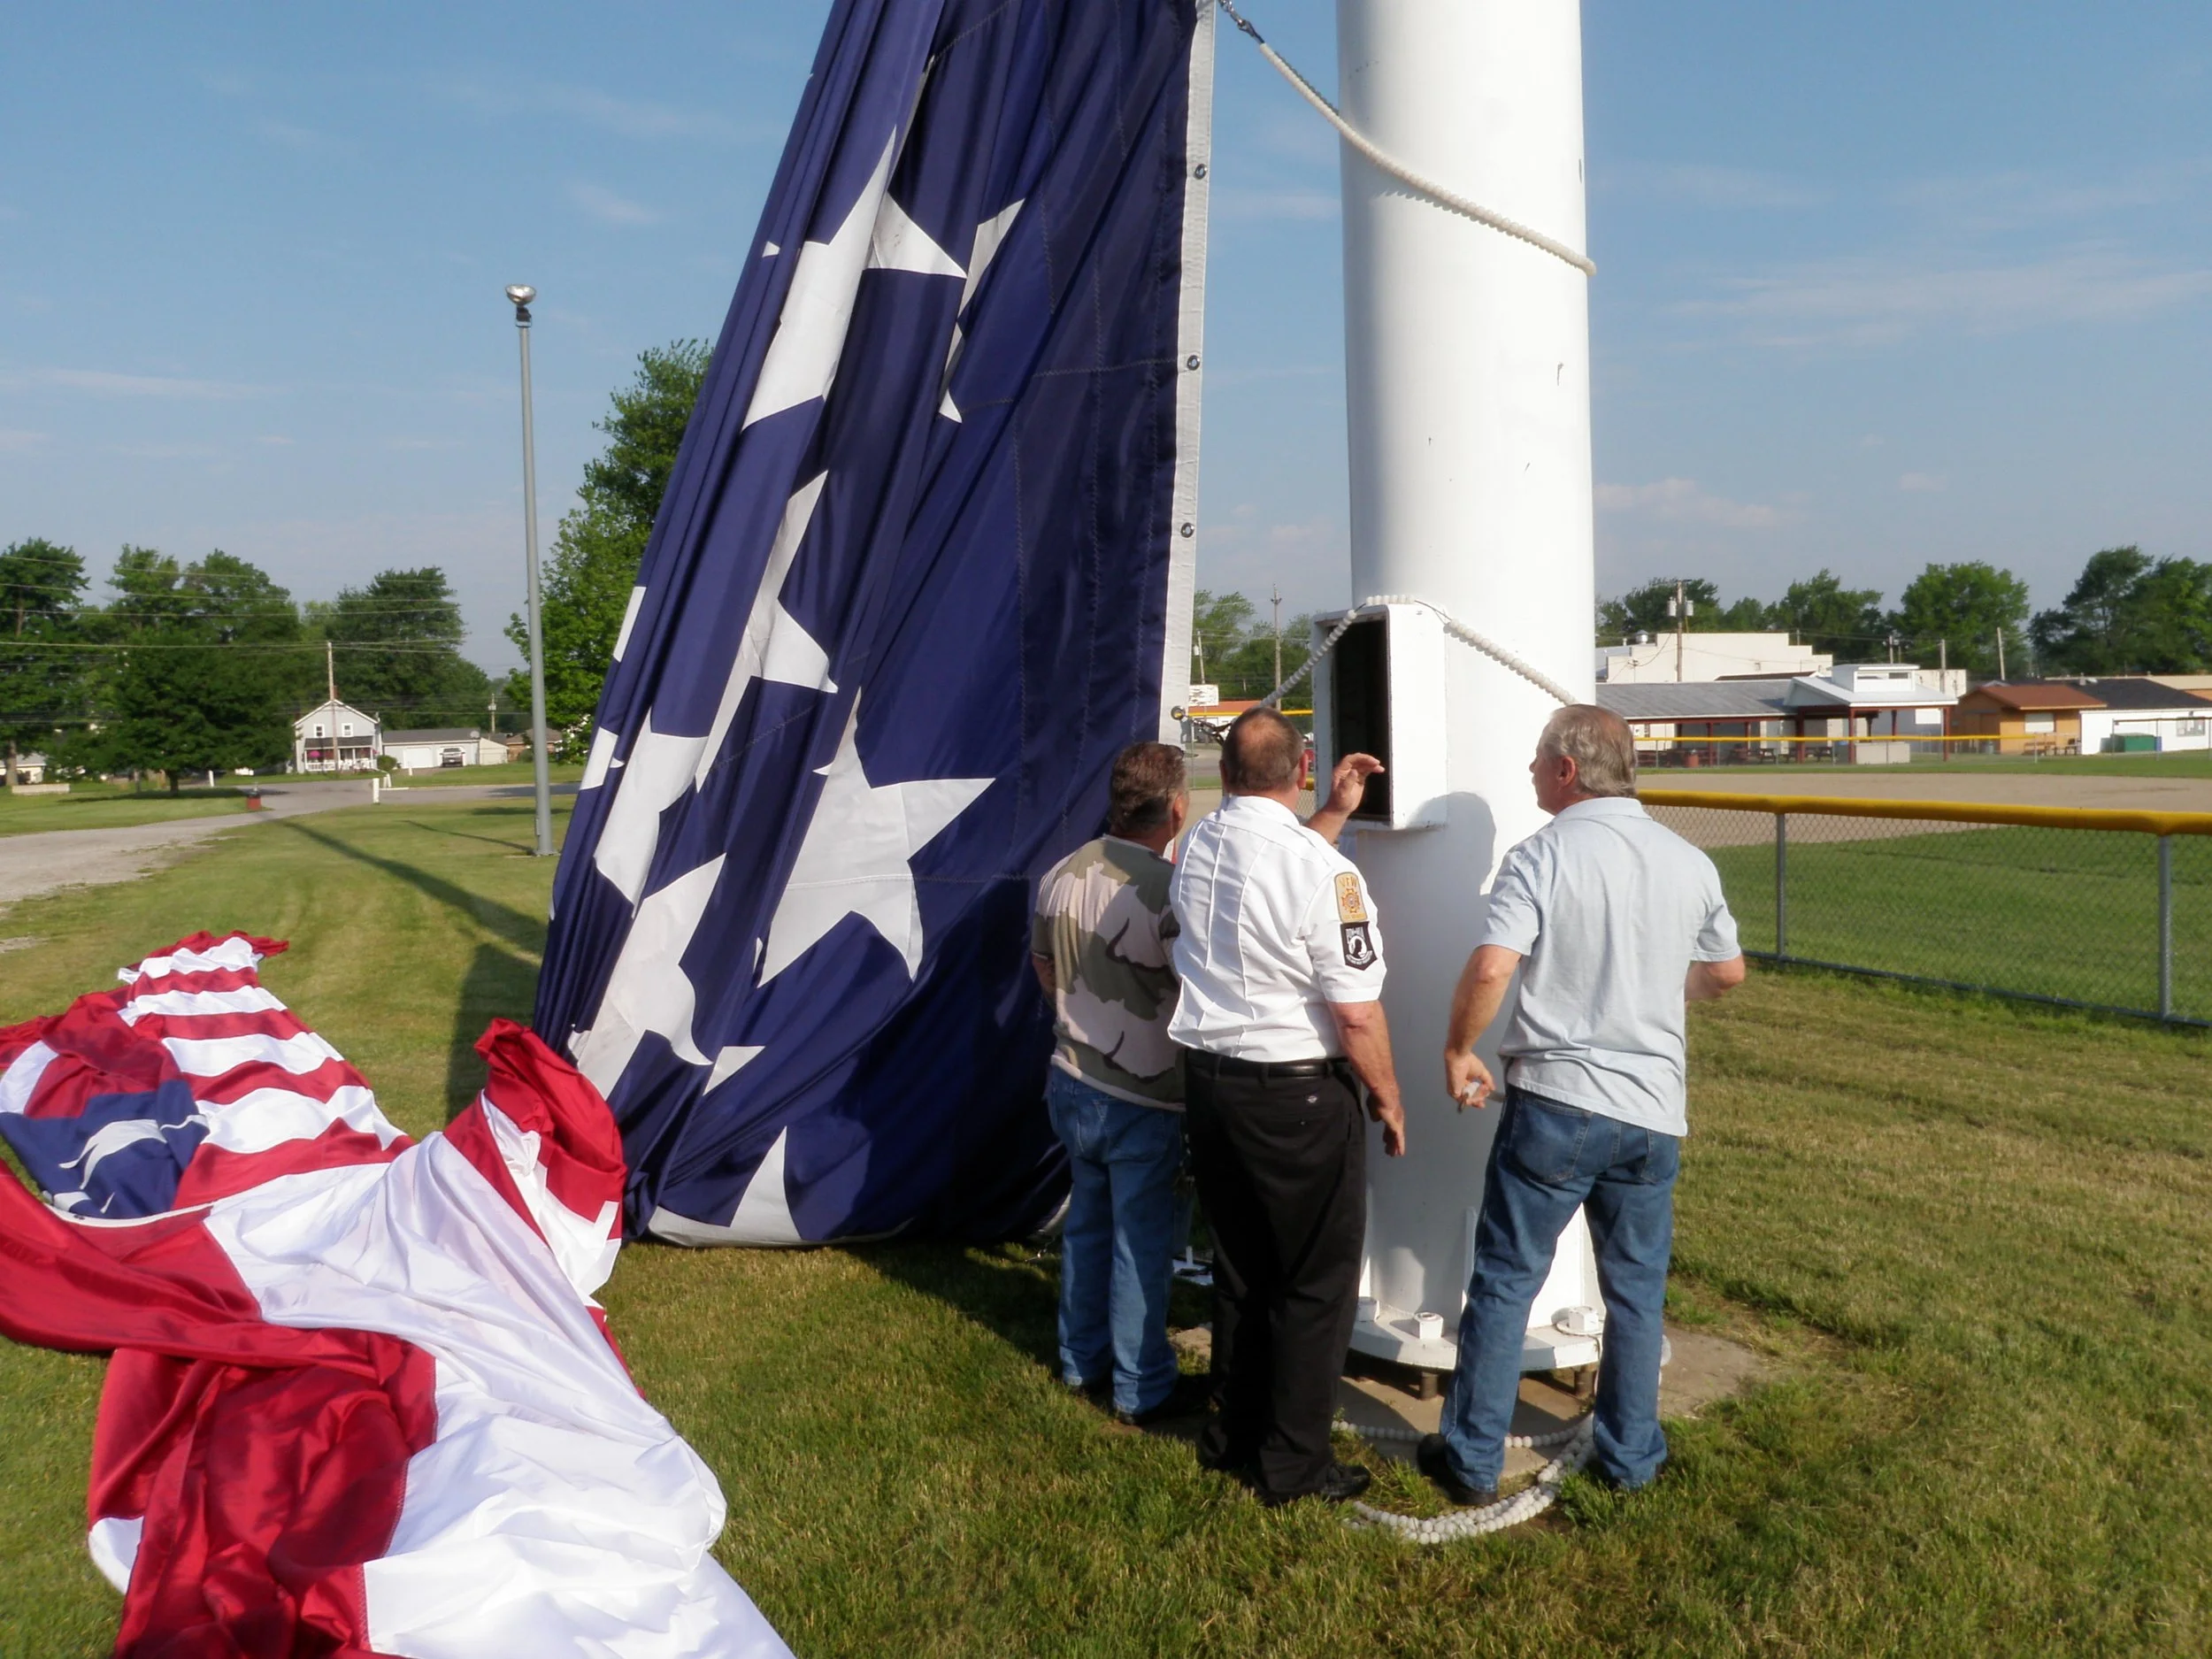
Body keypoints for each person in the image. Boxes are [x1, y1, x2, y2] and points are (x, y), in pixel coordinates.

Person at [1418, 704, 1746, 1506]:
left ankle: (1470, 1457)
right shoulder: (1688, 861)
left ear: (1568, 770)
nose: (1531, 771)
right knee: (1636, 1291)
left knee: (1504, 1280)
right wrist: (1651, 993)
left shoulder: (1542, 856)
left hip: (1556, 1105)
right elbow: (1727, 971)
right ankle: (1631, 1457)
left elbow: (1494, 966)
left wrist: (1459, 1049)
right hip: (1652, 1114)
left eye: (1538, 760)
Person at [1168, 708, 1406, 1506]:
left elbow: (1269, 873)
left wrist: (1330, 815)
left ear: (1226, 771)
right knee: (1312, 1283)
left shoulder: (1199, 839)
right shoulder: (1324, 872)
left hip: (1210, 1082)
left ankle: (1232, 1431)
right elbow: (1358, 1011)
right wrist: (1387, 1094)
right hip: (1296, 1095)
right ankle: (1294, 1465)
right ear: (1301, 771)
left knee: (1240, 1268)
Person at [1032, 741, 1208, 1424]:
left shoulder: (1061, 872)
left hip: (1072, 1077)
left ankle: (1081, 1362)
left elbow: (1044, 963)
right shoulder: (1167, 893)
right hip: (1144, 1094)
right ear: (1175, 807)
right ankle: (1142, 1387)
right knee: (1141, 1244)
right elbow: (1194, 986)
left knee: (1088, 1228)